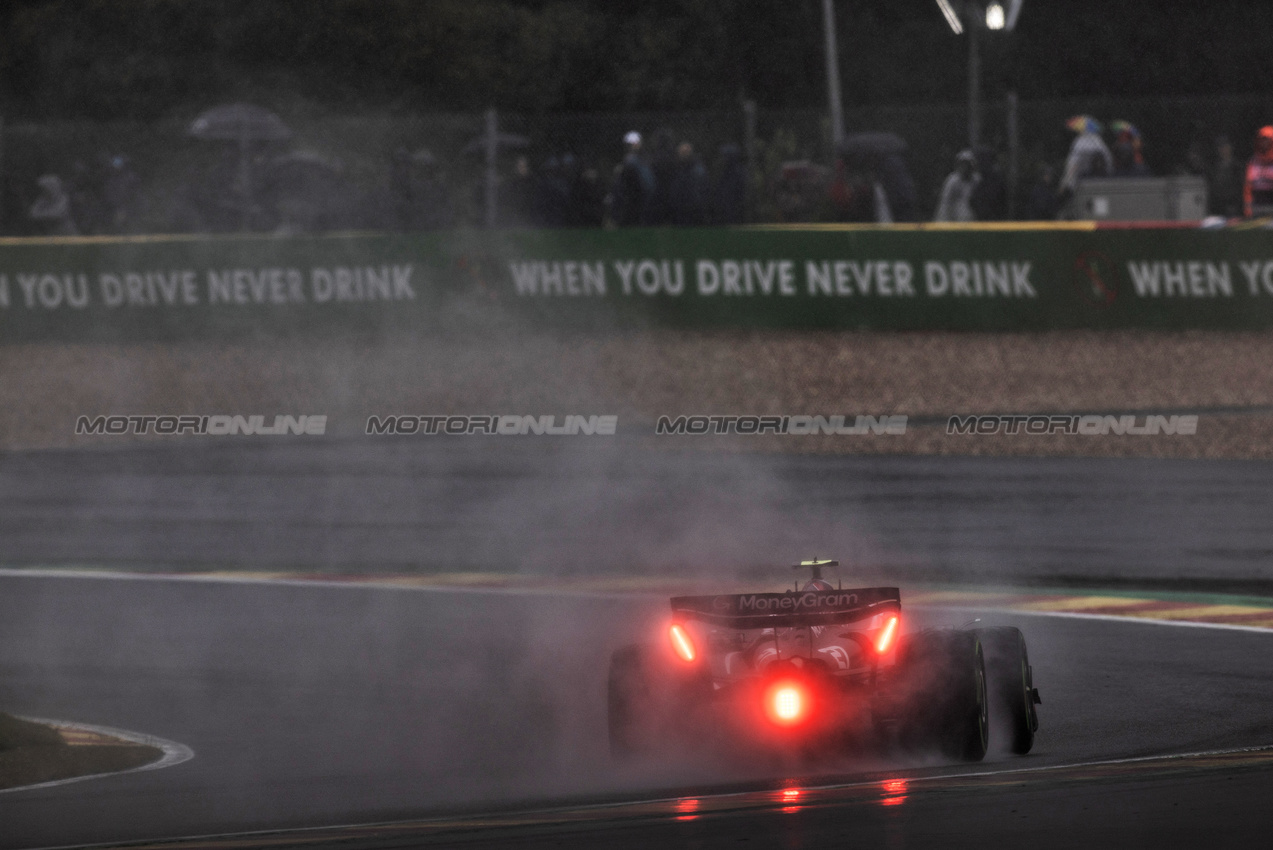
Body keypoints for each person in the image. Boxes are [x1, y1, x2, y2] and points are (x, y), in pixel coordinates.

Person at [609, 131, 655, 227]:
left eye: (635, 144)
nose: (632, 146)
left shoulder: (634, 161)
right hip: (634, 201)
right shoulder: (634, 160)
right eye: (630, 144)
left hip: (636, 200)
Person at [1059, 115, 1113, 194]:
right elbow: (1108, 158)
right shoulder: (1099, 142)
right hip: (1100, 178)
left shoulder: (1079, 142)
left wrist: (1066, 183)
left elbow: (1073, 163)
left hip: (1083, 178)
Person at [934, 149, 980, 222]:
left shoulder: (977, 180)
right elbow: (945, 202)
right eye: (963, 164)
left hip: (973, 220)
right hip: (955, 221)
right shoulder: (952, 181)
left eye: (968, 164)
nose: (965, 167)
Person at [1210, 135, 1245, 219]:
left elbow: (1241, 187)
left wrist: (1236, 204)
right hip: (1217, 206)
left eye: (1225, 146)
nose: (1223, 150)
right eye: (1220, 147)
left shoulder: (1237, 166)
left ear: (1230, 148)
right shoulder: (1214, 167)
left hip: (1233, 207)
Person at [1244, 126, 1273, 218]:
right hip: (1256, 206)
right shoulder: (1253, 162)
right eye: (1262, 140)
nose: (1264, 143)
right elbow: (1248, 186)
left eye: (1267, 140)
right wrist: (1247, 207)